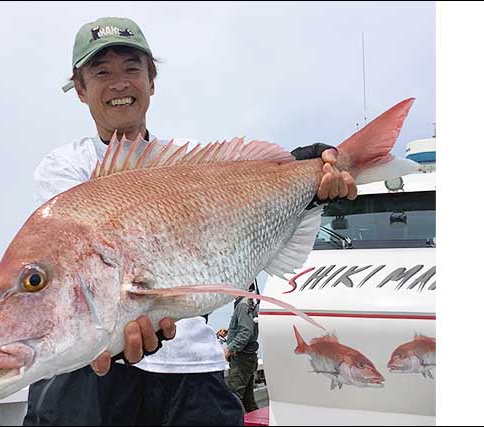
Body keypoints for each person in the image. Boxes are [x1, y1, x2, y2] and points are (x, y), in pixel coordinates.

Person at [23, 16, 357, 426]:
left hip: (191, 369)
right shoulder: (64, 167)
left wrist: (311, 170)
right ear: (80, 88)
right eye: (101, 72)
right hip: (94, 372)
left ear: (151, 80)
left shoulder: (192, 158)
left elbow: (244, 202)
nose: (119, 84)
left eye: (132, 68)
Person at [217, 282, 261, 414]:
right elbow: (246, 328)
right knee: (248, 401)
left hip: (242, 360)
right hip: (248, 358)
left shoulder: (242, 305)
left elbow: (245, 333)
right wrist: (230, 331)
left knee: (232, 398)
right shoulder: (247, 302)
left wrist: (228, 349)